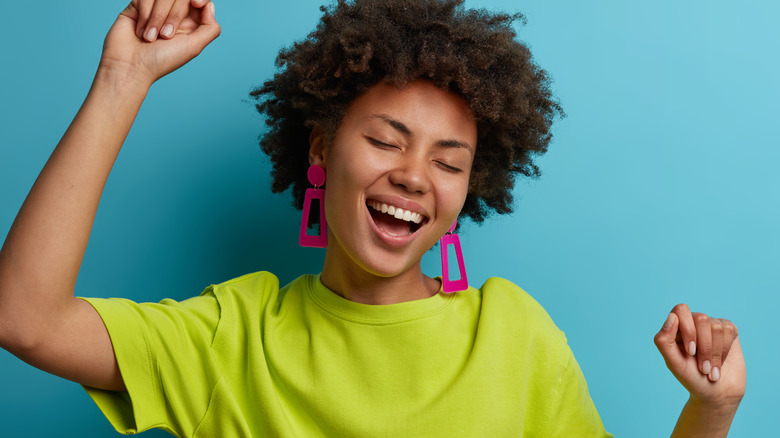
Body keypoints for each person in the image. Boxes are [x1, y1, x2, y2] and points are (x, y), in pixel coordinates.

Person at [0, 0, 745, 436]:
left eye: (449, 163)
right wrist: (123, 77)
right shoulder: (234, 332)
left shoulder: (512, 333)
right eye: (387, 140)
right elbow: (23, 318)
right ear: (321, 147)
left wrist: (711, 409)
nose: (414, 176)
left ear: (466, 193)